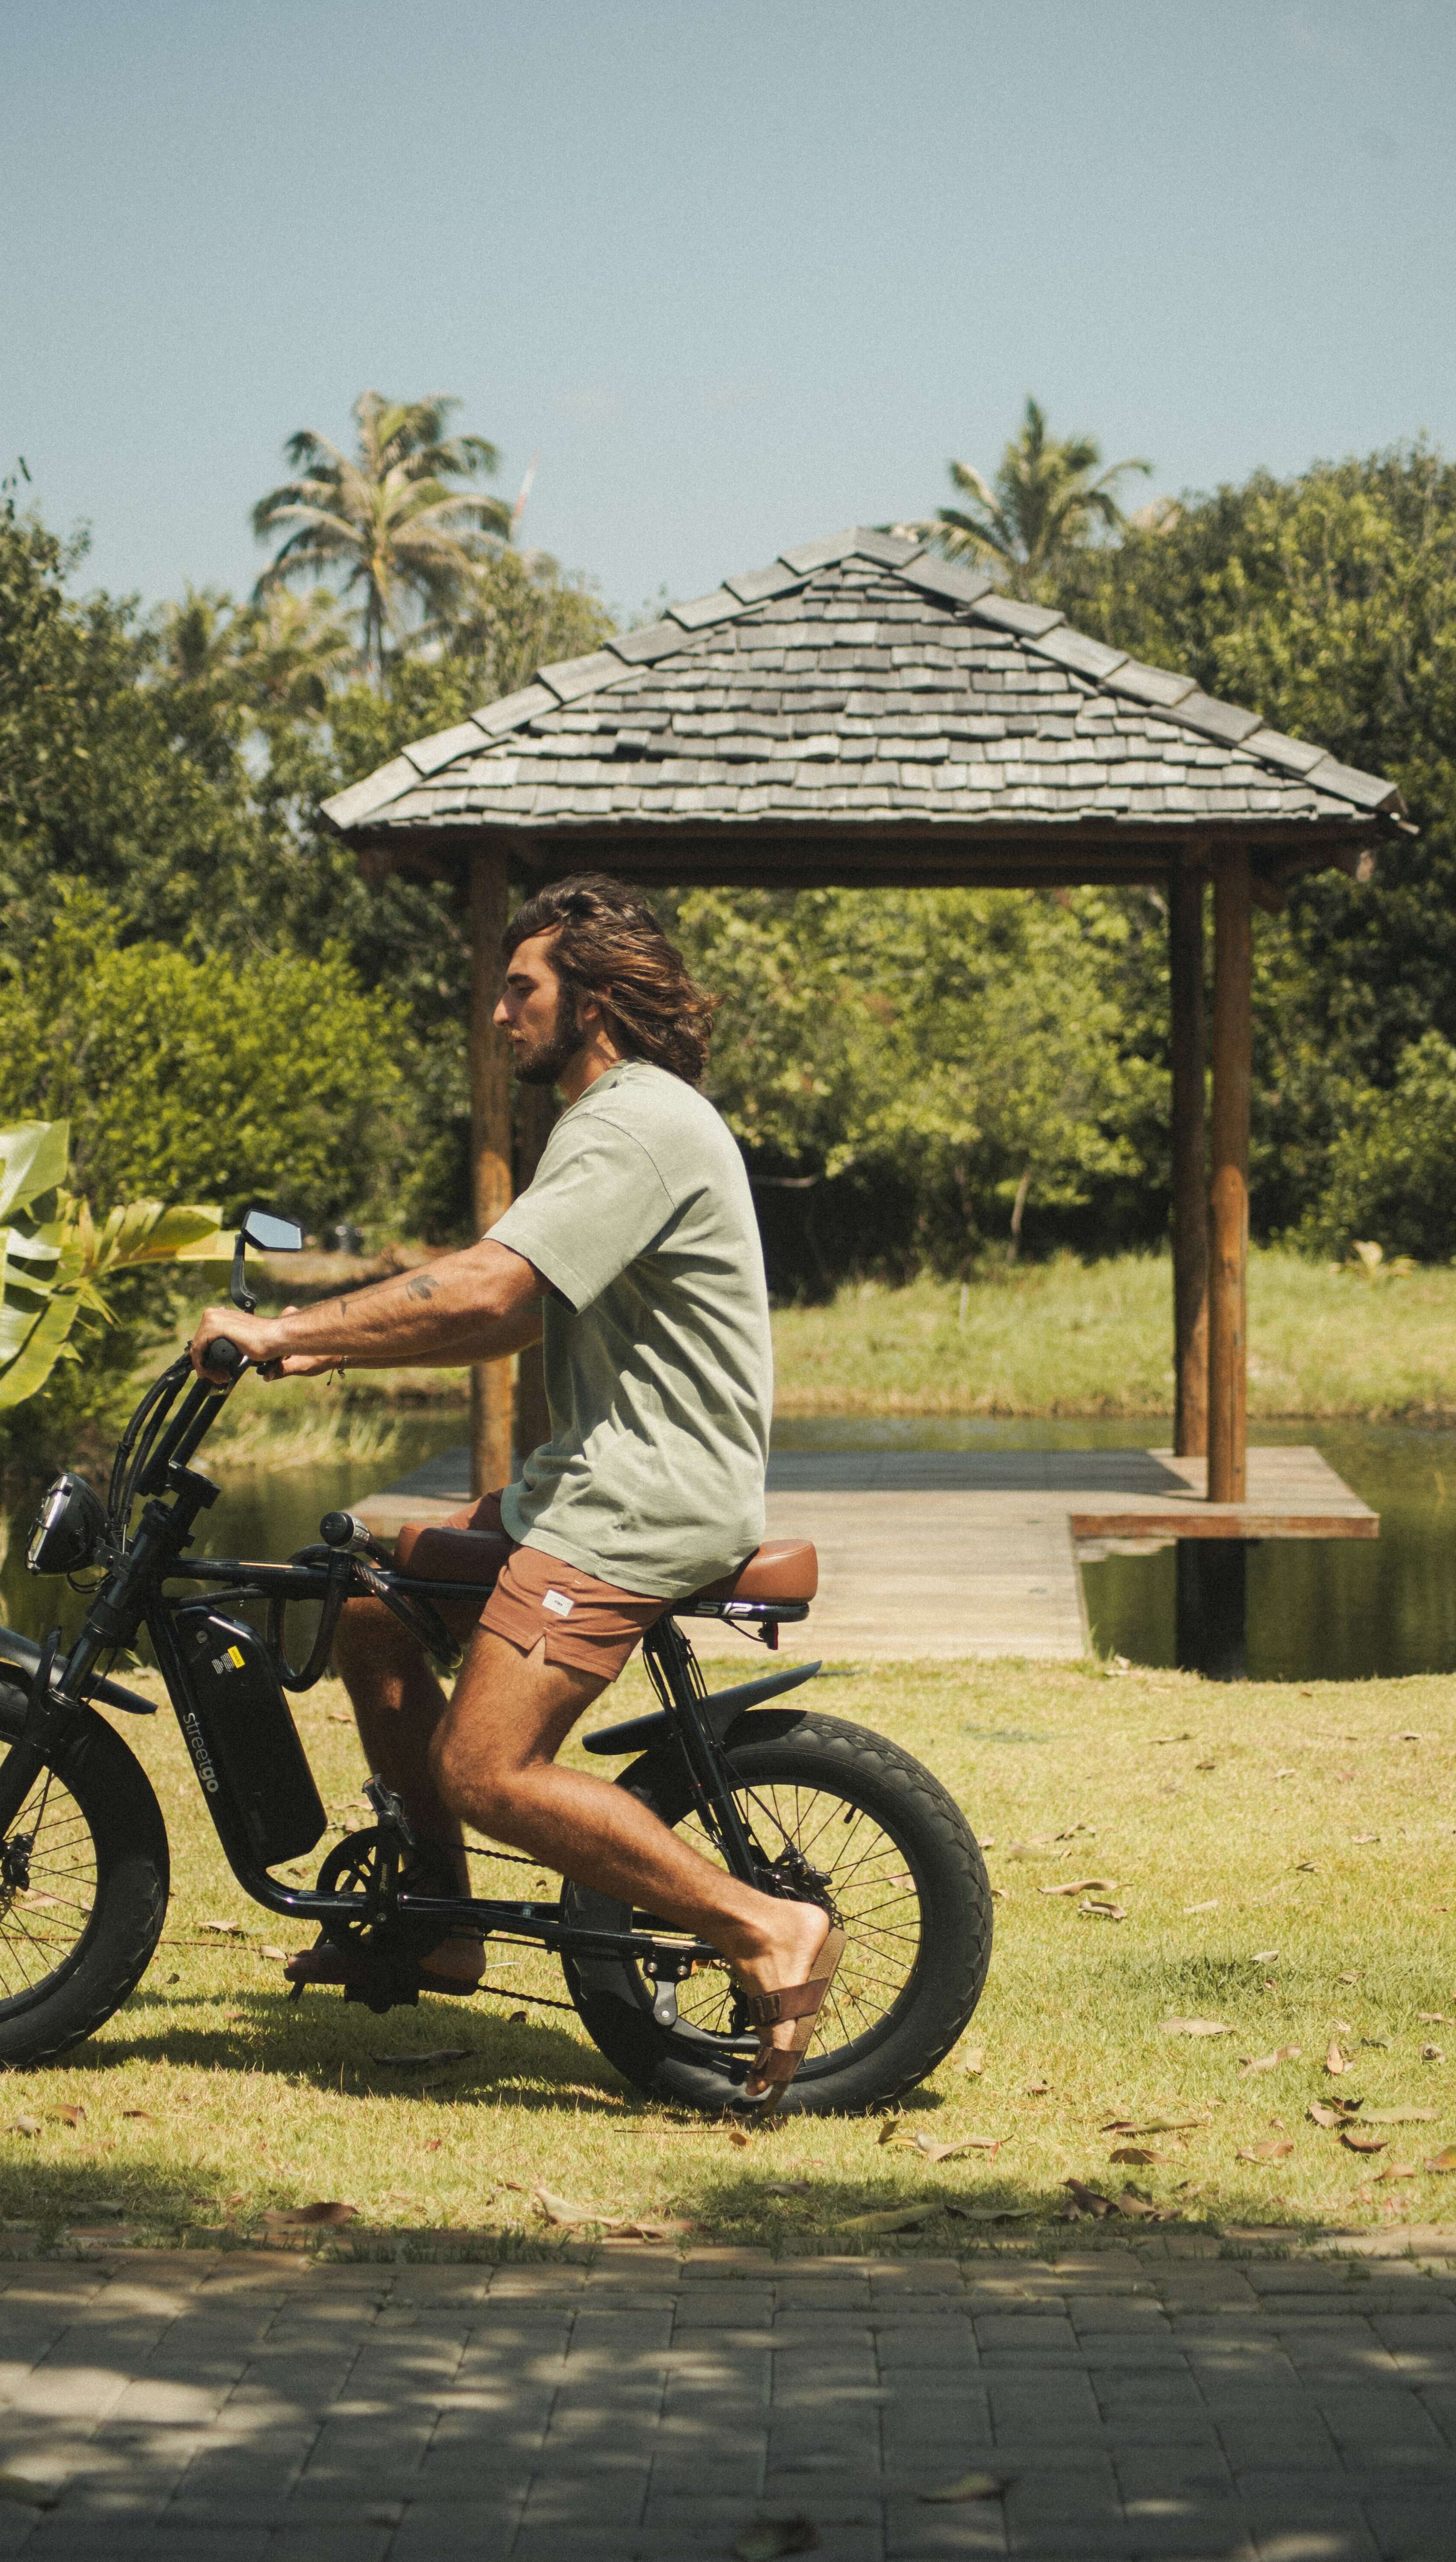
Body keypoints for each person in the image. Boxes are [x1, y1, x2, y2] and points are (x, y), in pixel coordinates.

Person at [189, 874, 841, 2099]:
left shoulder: (632, 1122)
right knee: (378, 1611)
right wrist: (325, 1338)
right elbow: (503, 1314)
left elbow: (494, 1290)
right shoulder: (610, 1121)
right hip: (587, 1482)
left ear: (591, 998)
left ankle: (764, 1927)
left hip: (640, 1496)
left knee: (486, 1769)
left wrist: (284, 1328)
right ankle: (441, 1920)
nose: (498, 1014)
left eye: (521, 987)